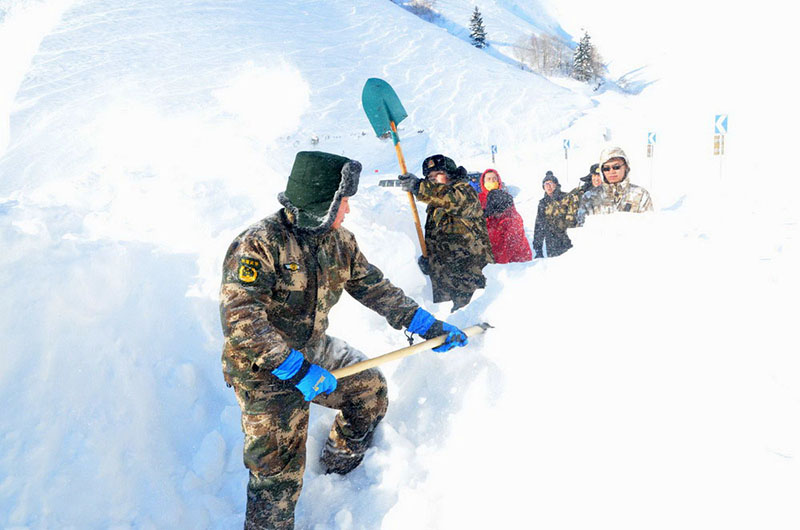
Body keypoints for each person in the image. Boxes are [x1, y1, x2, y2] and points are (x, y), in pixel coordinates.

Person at [219, 151, 468, 530]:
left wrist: (425, 324)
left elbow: (374, 287)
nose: (347, 210)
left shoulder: (339, 241)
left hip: (313, 349)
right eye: (343, 201)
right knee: (276, 475)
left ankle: (337, 471)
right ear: (322, 203)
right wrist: (293, 368)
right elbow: (241, 320)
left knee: (369, 392)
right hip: (262, 370)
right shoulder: (259, 245)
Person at [398, 154, 493, 312]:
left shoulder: (465, 193)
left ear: (450, 175)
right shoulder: (435, 207)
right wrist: (430, 260)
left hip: (469, 283)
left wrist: (419, 187)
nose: (433, 179)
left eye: (438, 174)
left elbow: (452, 199)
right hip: (446, 285)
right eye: (429, 177)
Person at [577, 146, 653, 225]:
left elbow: (648, 227)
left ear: (626, 167)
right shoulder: (590, 197)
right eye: (606, 168)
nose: (611, 171)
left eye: (616, 167)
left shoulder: (640, 195)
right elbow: (583, 229)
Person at [477, 169, 532, 264]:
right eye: (489, 179)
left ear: (499, 181)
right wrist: (487, 216)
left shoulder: (506, 197)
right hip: (488, 244)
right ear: (483, 182)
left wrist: (502, 216)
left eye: (494, 179)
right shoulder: (478, 199)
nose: (492, 181)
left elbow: (515, 220)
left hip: (504, 241)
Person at [532, 171, 573, 258]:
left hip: (567, 239)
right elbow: (539, 226)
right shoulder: (543, 203)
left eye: (550, 183)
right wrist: (538, 249)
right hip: (551, 243)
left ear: (556, 185)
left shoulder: (566, 198)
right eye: (546, 184)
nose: (548, 186)